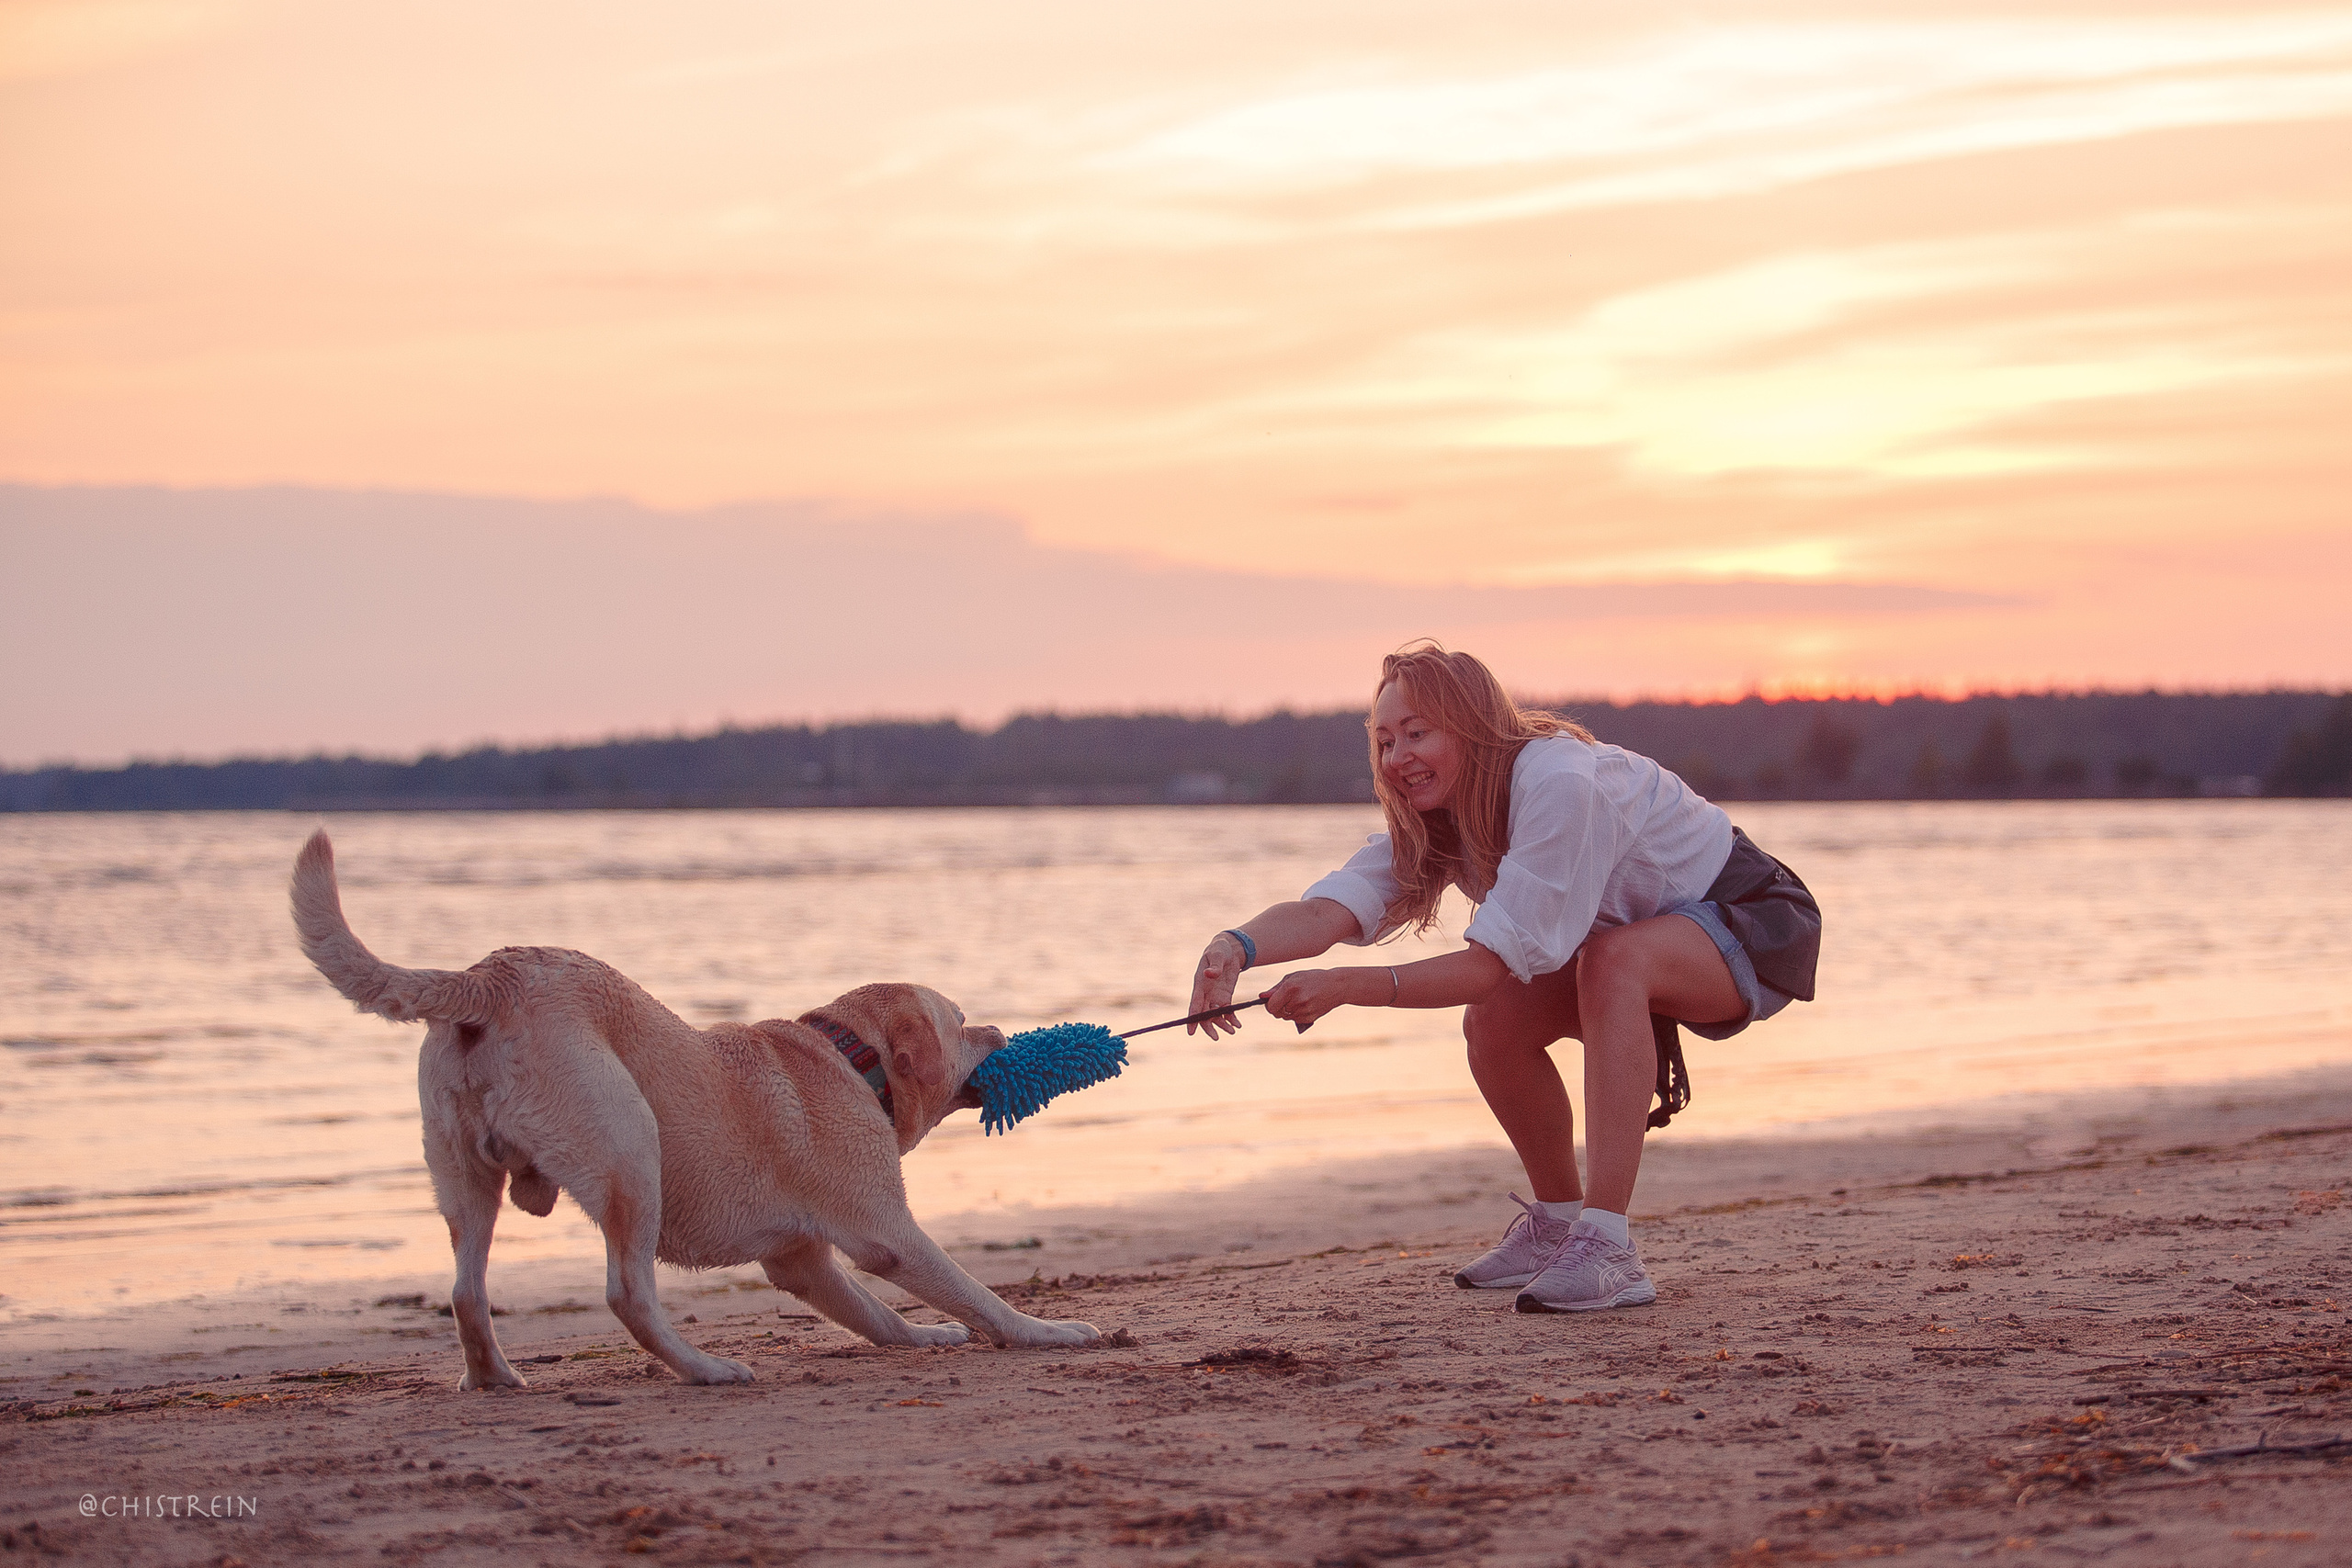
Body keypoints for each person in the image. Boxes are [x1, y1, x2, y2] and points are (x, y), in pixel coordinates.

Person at [1186, 643, 1820, 1313]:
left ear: (1471, 725)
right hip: (1643, 938)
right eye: (1384, 741)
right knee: (1492, 1019)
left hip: (1754, 916)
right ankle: (1556, 1223)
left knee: (1612, 962)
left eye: (1417, 733)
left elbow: (1486, 963)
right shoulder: (1440, 816)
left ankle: (1609, 1247)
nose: (1398, 757)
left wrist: (1347, 985)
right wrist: (1237, 944)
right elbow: (1328, 910)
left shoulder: (1558, 783)